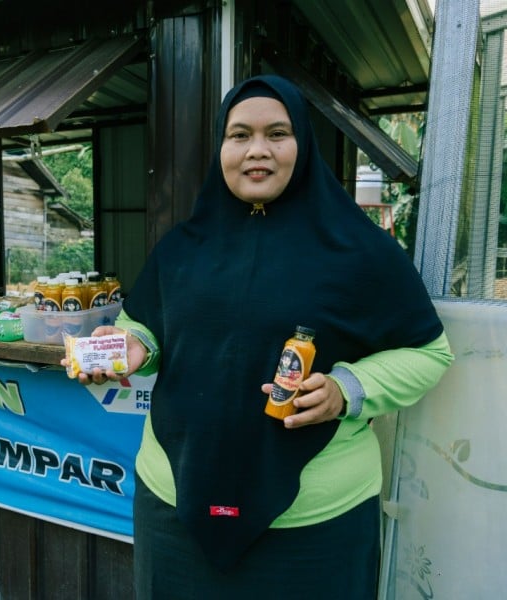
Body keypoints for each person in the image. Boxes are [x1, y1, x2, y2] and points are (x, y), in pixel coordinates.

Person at [63, 74, 453, 599]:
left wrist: (347, 388)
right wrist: (138, 348)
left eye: (278, 133)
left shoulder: (359, 252)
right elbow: (148, 326)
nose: (257, 151)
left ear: (304, 145)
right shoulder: (183, 247)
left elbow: (429, 352)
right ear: (221, 147)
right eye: (239, 135)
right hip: (175, 501)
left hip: (314, 523)